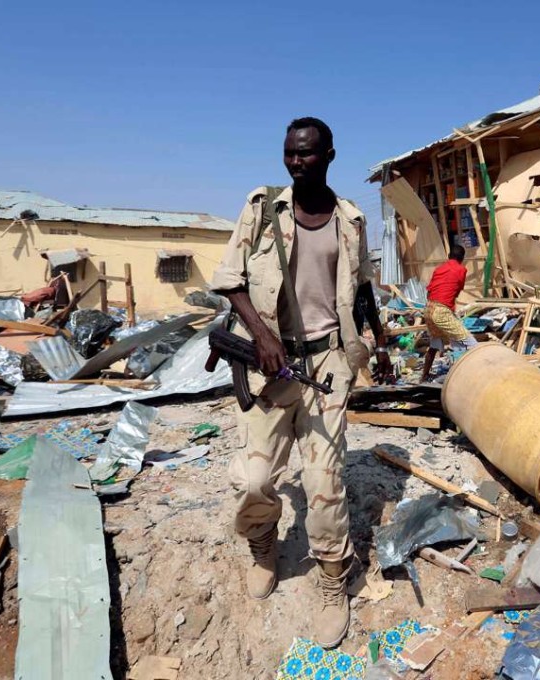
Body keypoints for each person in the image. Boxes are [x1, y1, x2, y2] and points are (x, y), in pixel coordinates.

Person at [209, 117, 390, 649]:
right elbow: (230, 280)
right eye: (289, 153)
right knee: (253, 478)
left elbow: (360, 291)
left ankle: (333, 577)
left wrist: (377, 344)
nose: (295, 162)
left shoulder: (351, 220)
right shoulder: (263, 208)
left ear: (329, 155)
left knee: (324, 481)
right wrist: (262, 335)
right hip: (271, 364)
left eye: (306, 154)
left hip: (329, 362)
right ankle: (263, 542)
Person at [421, 244, 477, 382]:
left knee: (434, 344)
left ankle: (424, 376)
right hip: (441, 310)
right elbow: (456, 292)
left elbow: (430, 291)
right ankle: (471, 374)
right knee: (470, 342)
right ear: (462, 258)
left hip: (429, 309)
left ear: (449, 256)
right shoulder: (461, 270)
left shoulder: (439, 269)